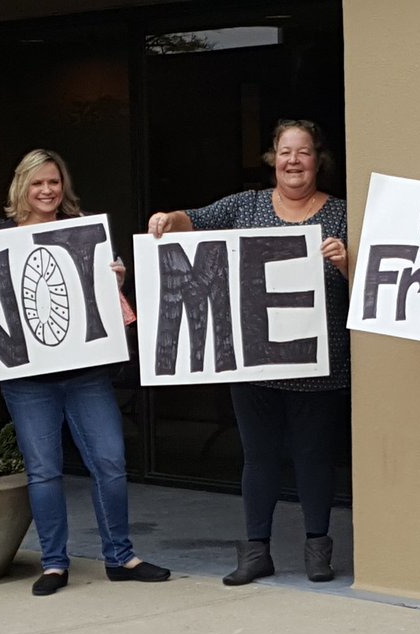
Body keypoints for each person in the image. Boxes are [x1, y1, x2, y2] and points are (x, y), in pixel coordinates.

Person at [0, 149, 169, 596]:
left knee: (110, 462)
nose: (47, 190)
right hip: (28, 382)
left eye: (53, 182)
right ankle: (53, 564)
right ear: (21, 189)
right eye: (37, 184)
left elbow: (109, 307)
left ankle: (121, 556)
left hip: (86, 373)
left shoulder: (84, 231)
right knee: (44, 472)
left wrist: (116, 282)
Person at [148, 119, 351, 585]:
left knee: (314, 458)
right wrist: (167, 221)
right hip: (254, 361)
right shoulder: (247, 205)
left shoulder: (341, 214)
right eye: (285, 152)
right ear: (272, 159)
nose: (294, 161)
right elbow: (191, 220)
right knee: (257, 457)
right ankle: (256, 550)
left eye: (303, 152)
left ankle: (318, 549)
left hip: (321, 363)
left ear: (318, 159)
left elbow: (368, 286)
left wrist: (345, 262)